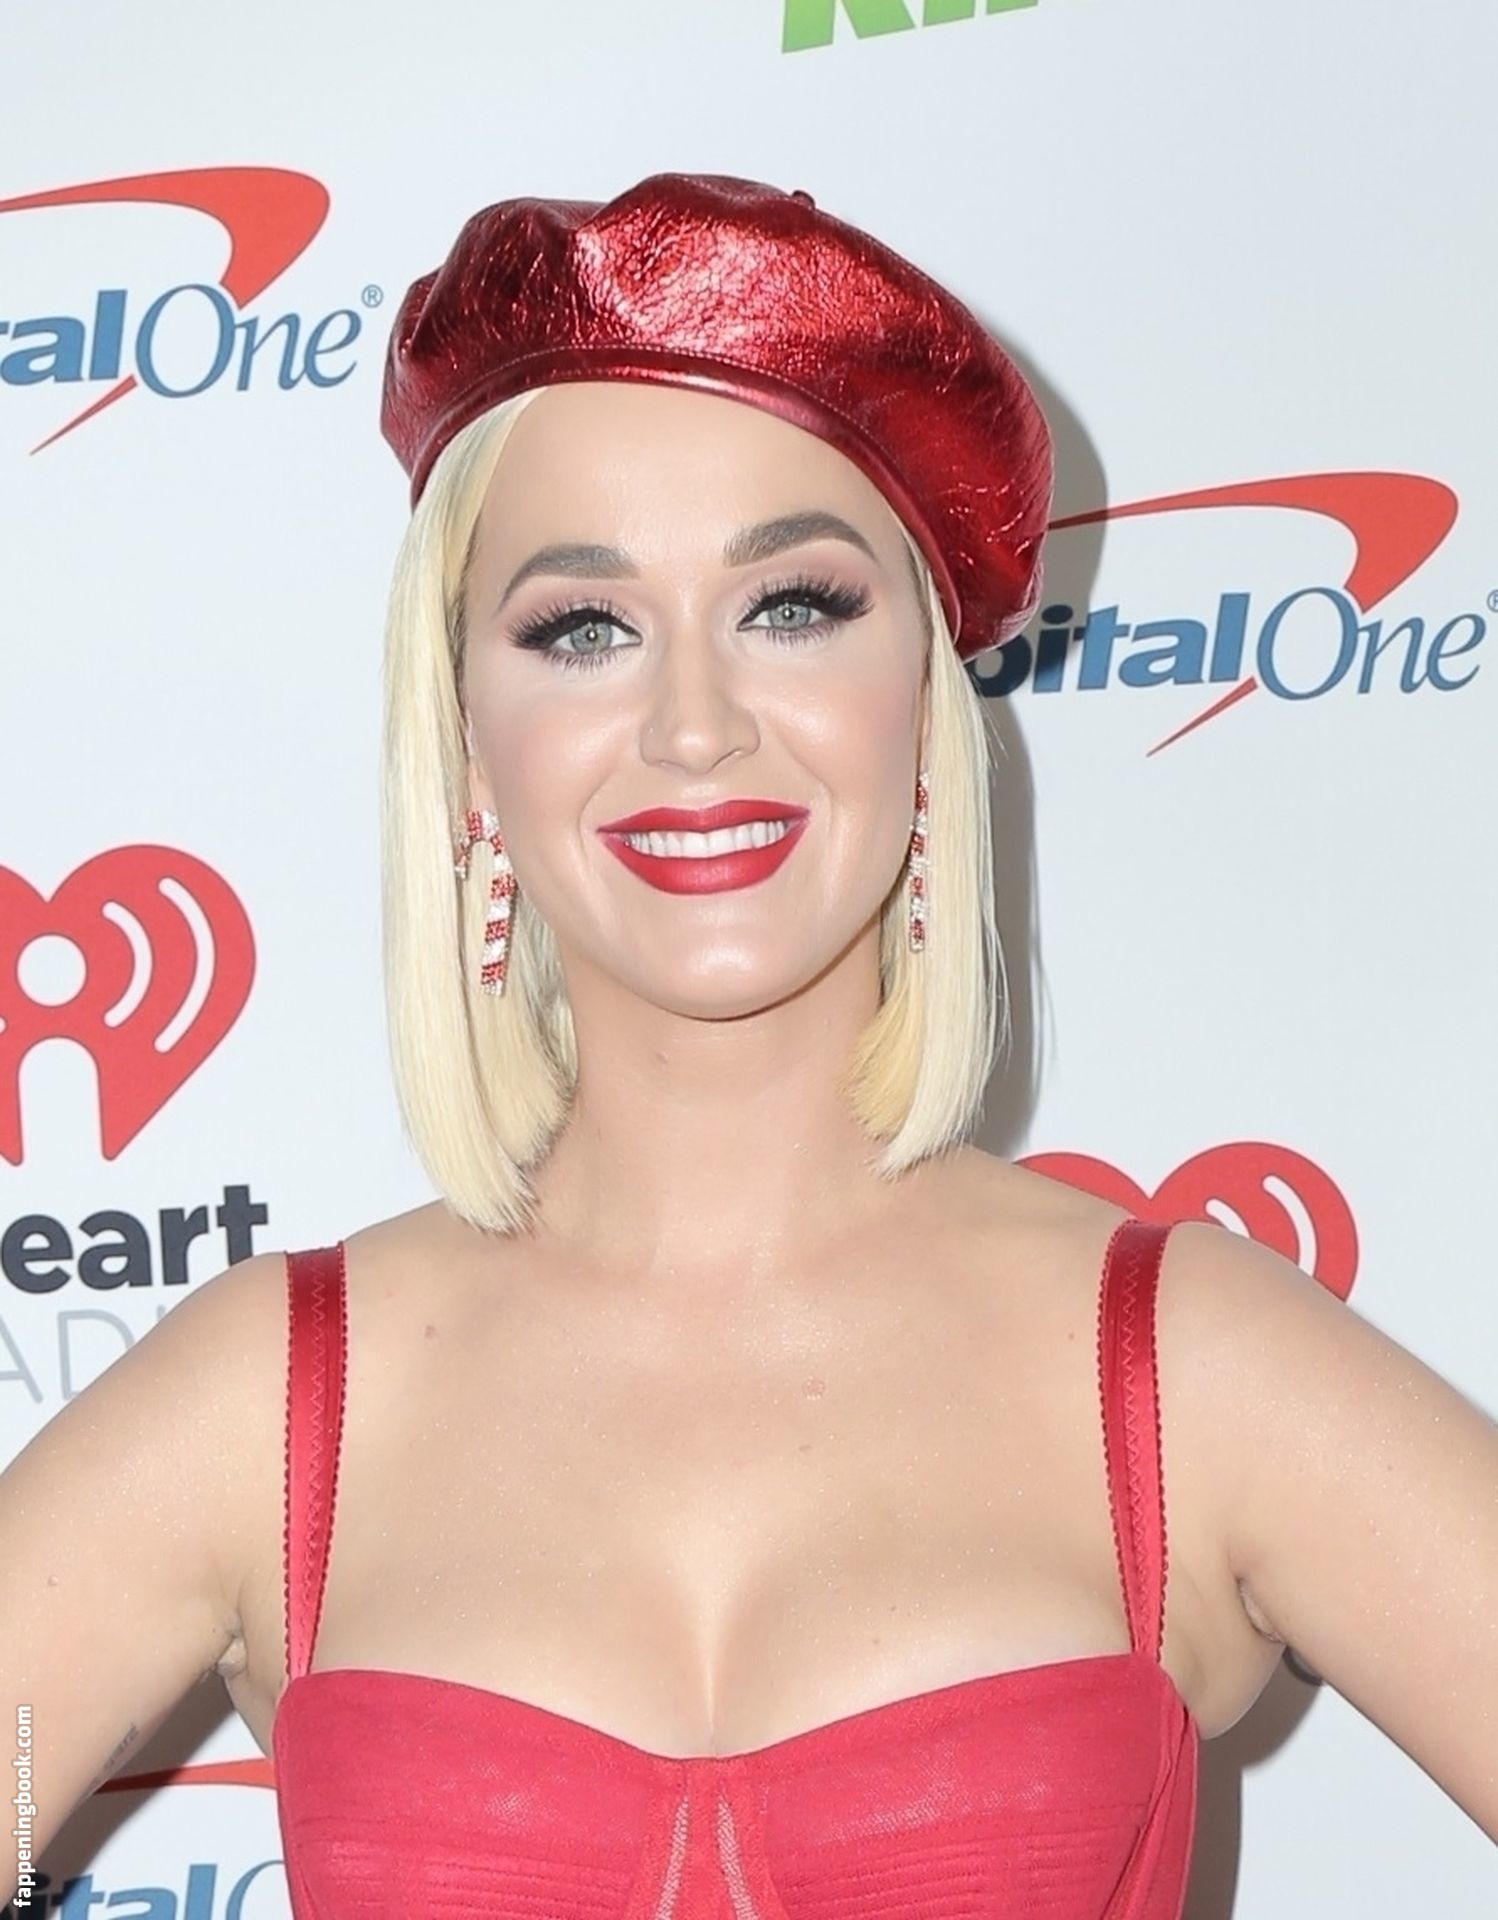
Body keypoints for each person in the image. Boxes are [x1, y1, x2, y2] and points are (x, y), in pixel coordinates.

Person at [3, 173, 1495, 1917]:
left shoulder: (1187, 1374)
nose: (695, 723)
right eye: (582, 628)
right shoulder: (273, 1407)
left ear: (920, 698)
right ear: (468, 742)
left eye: (790, 605)